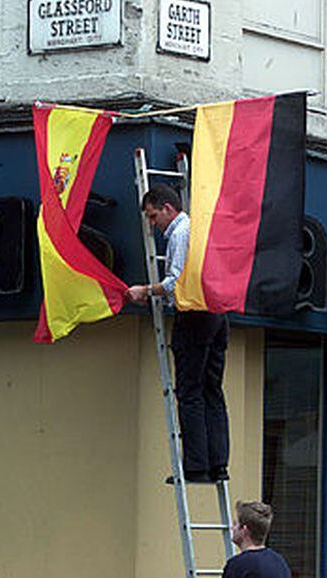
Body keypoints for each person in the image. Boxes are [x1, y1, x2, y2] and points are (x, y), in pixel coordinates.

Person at [126, 183, 229, 483]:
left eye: (153, 215)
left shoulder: (181, 233)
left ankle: (196, 466)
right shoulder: (199, 229)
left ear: (168, 209)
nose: (152, 223)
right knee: (212, 390)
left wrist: (145, 291)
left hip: (195, 315)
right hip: (217, 313)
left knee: (190, 391)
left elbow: (176, 281)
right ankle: (218, 464)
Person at [223, 501, 291, 578]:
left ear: (244, 530)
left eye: (235, 524)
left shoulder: (237, 566)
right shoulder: (280, 562)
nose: (232, 528)